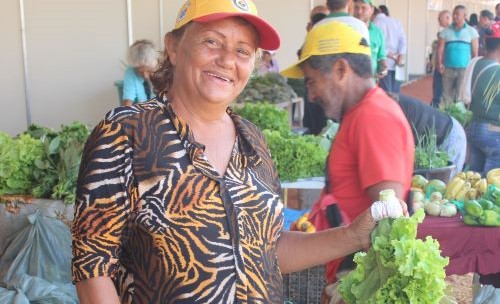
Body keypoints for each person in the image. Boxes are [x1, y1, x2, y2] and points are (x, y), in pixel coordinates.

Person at [71, 1, 407, 303]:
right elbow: (93, 264)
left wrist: (350, 237)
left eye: (244, 51)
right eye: (212, 41)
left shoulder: (253, 141)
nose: (228, 60)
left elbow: (269, 248)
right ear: (173, 47)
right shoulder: (126, 132)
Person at [282, 20, 414, 296]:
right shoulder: (361, 113)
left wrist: (353, 286)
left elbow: (390, 217)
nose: (311, 94)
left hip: (356, 278)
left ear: (341, 69)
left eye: (311, 81)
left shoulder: (373, 117)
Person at [394, 94, 467, 178]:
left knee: (446, 188)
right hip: (440, 135)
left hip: (451, 136)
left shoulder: (391, 109)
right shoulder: (388, 104)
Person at [466, 21, 500, 176]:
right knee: (492, 180)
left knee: (474, 178)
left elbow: (464, 97)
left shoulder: (475, 63)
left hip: (473, 128)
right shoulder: (498, 71)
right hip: (493, 133)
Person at [437, 5, 479, 106]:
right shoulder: (445, 31)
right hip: (448, 69)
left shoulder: (472, 31)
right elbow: (440, 49)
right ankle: (447, 119)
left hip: (464, 69)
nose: (455, 16)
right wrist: (439, 63)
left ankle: (459, 120)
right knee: (446, 96)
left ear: (465, 16)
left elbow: (474, 52)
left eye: (457, 14)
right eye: (454, 14)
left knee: (460, 97)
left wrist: (473, 68)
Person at [302, 5, 330, 135]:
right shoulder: (310, 40)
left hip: (326, 91)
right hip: (311, 90)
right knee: (311, 123)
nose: (319, 22)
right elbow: (302, 59)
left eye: (322, 18)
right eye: (316, 18)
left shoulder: (333, 39)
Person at [373, 4, 407, 95]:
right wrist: (400, 54)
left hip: (383, 63)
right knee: (396, 94)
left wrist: (390, 54)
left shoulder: (375, 24)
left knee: (386, 94)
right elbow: (403, 40)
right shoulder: (396, 22)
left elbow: (377, 45)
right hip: (397, 63)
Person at [352, 0, 387, 81]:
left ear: (372, 10)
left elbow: (381, 58)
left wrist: (382, 68)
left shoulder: (378, 32)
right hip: (352, 87)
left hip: (371, 85)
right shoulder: (347, 29)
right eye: (356, 7)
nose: (359, 12)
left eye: (363, 8)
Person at [121, 39, 158, 106]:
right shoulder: (131, 71)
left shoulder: (162, 70)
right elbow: (128, 99)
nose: (145, 75)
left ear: (154, 63)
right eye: (140, 71)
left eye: (148, 70)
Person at [431, 10, 452, 107]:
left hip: (446, 66)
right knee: (437, 91)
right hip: (440, 66)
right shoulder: (443, 32)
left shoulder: (451, 33)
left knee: (441, 92)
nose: (438, 21)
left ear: (448, 18)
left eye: (440, 18)